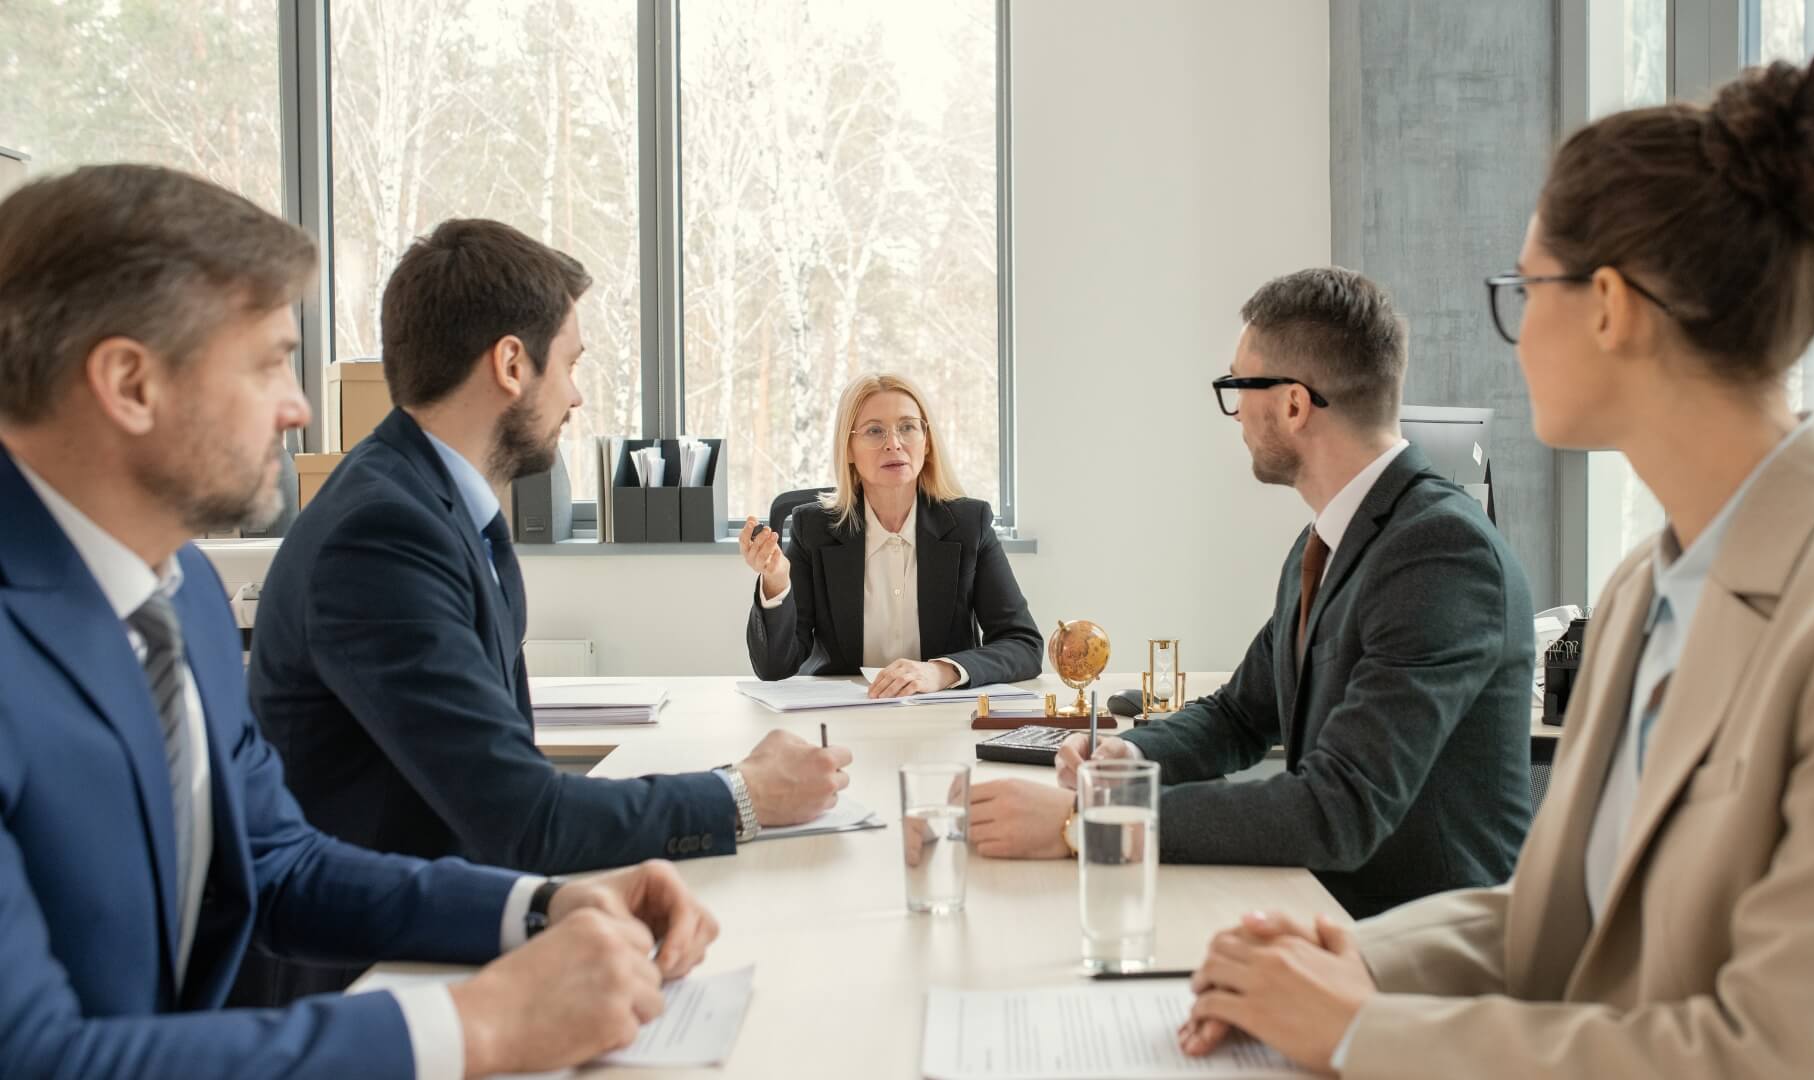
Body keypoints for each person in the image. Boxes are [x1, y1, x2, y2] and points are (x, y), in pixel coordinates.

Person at [1179, 31, 1814, 1078]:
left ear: (1610, 307)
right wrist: (1352, 958)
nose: (1514, 334)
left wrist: (1360, 1028)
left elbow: (1779, 1056)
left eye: (1523, 292)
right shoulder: (1641, 593)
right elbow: (1558, 915)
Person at [0, 163, 721, 1078]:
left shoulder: (175, 592)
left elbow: (280, 864)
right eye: (268, 362)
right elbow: (33, 1058)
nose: (299, 407)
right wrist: (478, 1028)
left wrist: (539, 906)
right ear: (131, 384)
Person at [241, 219, 848, 1002]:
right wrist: (743, 793)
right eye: (570, 363)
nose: (576, 394)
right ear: (510, 363)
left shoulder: (431, 506)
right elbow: (521, 818)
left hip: (452, 929)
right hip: (371, 981)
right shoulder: (381, 534)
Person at [968, 268, 1535, 919]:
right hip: (1326, 912)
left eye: (1238, 387)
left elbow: (1337, 809)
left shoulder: (1441, 556)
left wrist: (1086, 818)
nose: (1234, 413)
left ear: (1294, 405)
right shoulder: (1324, 540)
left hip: (1423, 951)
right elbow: (1240, 716)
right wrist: (1132, 753)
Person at [741, 372, 1042, 698]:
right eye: (874, 431)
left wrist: (940, 671)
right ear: (849, 449)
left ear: (926, 443)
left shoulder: (970, 524)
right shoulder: (814, 529)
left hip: (940, 712)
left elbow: (1023, 645)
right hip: (841, 717)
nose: (894, 443)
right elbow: (774, 667)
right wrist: (776, 583)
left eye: (908, 427)